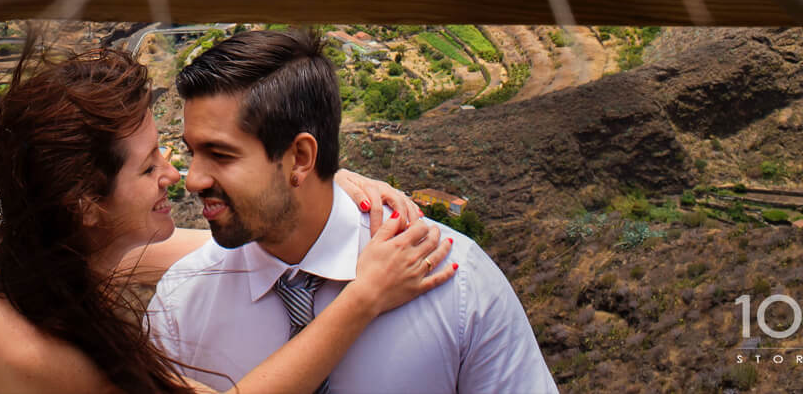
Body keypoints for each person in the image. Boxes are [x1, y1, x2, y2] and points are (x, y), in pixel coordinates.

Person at [0, 40, 453, 394]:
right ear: (87, 203)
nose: (175, 175)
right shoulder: (36, 349)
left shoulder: (62, 255)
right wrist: (362, 297)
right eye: (148, 164)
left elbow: (226, 244)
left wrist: (311, 189)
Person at [149, 29, 557, 393]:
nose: (193, 179)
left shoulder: (457, 281)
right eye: (192, 153)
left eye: (219, 154)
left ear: (301, 157)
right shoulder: (181, 304)